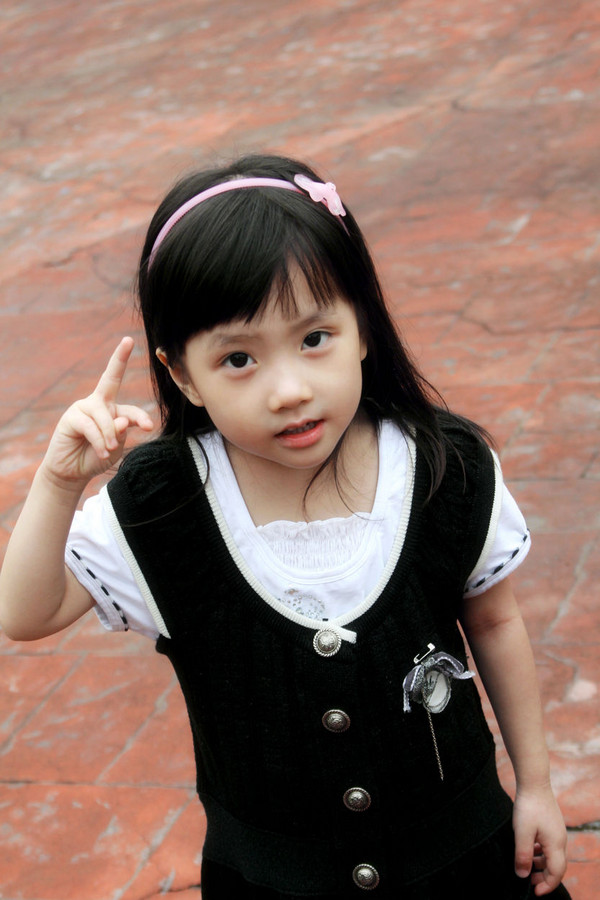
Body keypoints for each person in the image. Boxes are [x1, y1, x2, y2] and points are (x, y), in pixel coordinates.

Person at [0, 154, 571, 899]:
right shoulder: (164, 504)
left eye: (314, 338)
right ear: (182, 375)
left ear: (362, 327)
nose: (290, 390)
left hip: (468, 862)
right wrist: (58, 482)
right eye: (239, 358)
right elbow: (26, 613)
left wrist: (536, 784)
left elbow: (493, 622)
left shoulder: (443, 468)